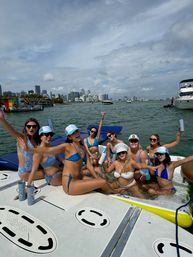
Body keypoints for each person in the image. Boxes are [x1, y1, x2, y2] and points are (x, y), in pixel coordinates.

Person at [18, 124, 112, 195]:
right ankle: (108, 189)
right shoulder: (39, 152)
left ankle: (106, 187)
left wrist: (75, 163)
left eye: (50, 134)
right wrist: (27, 187)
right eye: (46, 135)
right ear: (40, 136)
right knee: (92, 179)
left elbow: (62, 160)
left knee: (93, 175)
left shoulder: (53, 146)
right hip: (54, 177)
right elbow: (34, 170)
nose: (49, 137)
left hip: (62, 172)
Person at [0, 109, 44, 181]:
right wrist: (2, 120)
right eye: (29, 126)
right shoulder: (22, 139)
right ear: (25, 128)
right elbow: (11, 130)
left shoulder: (38, 140)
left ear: (37, 128)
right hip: (25, 174)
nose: (31, 128)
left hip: (36, 169)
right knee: (52, 172)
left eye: (34, 126)